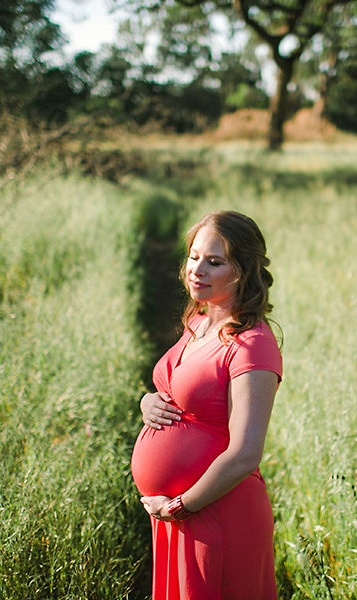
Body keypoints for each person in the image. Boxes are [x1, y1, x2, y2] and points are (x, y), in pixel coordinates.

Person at [130, 210, 282, 600]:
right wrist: (149, 403)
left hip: (216, 517)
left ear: (243, 270)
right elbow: (180, 392)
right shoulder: (199, 320)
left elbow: (245, 453)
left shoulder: (252, 344)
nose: (197, 269)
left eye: (214, 262)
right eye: (195, 256)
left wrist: (181, 506)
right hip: (179, 518)